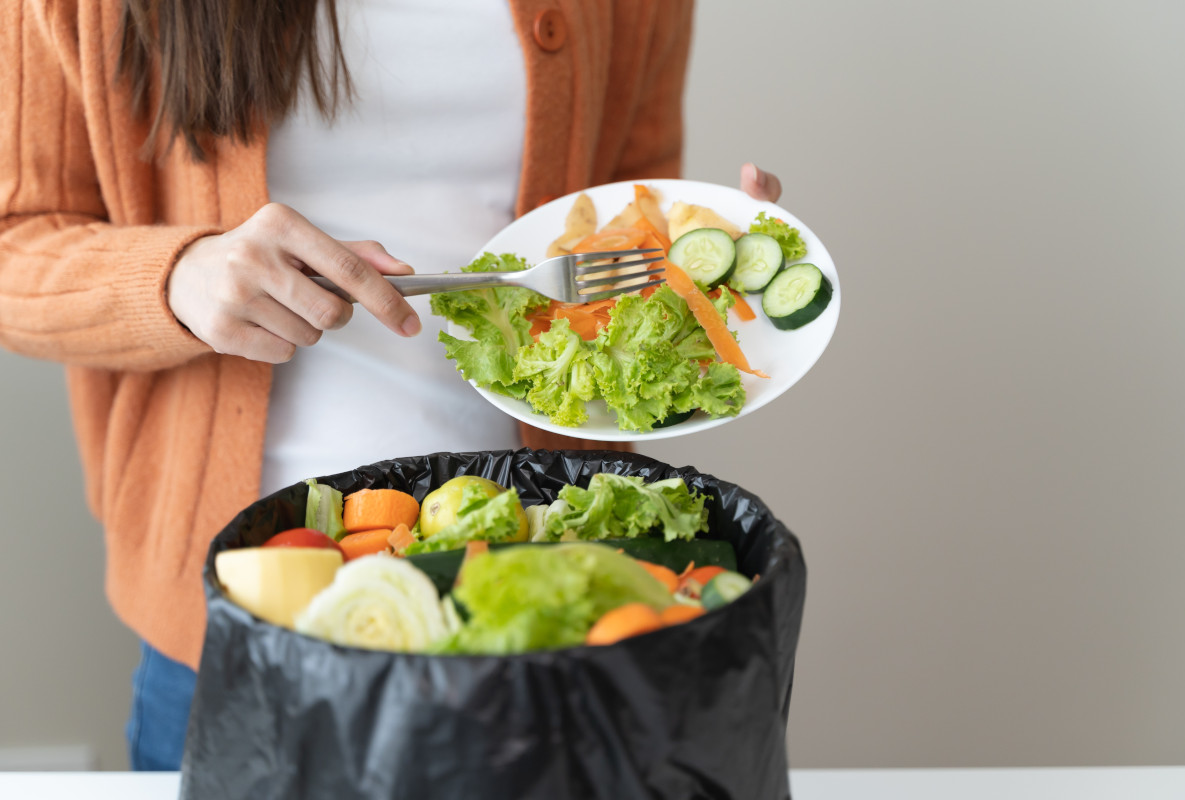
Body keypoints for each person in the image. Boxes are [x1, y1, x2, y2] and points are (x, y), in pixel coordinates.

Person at [0, 0, 782, 771]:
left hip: (541, 578)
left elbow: (619, 222)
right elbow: (15, 240)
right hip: (245, 605)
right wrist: (176, 278)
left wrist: (714, 258)